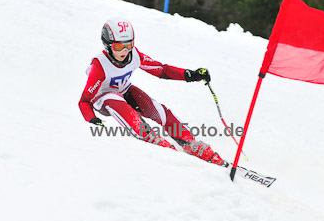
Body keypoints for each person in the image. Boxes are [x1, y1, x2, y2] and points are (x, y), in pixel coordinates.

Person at [79, 18, 224, 166]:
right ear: (107, 45)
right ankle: (150, 138)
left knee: (158, 110)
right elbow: (84, 101)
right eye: (118, 47)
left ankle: (191, 143)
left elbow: (161, 70)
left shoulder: (133, 55)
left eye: (129, 45)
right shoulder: (99, 65)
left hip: (124, 90)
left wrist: (190, 75)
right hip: (103, 99)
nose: (124, 51)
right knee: (115, 98)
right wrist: (92, 119)